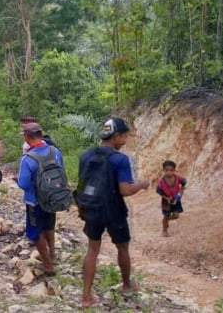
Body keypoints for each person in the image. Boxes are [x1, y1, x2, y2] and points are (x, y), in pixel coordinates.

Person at [78, 117, 150, 308]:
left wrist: (81, 208)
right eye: (124, 136)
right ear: (116, 136)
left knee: (92, 250)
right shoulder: (120, 159)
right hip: (113, 210)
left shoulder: (86, 154)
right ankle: (127, 285)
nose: (125, 140)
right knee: (123, 248)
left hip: (91, 208)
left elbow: (81, 185)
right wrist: (142, 185)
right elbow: (125, 190)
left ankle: (86, 297)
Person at [17, 122, 63, 276]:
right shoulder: (54, 151)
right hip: (52, 197)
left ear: (27, 137)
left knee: (36, 234)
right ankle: (52, 254)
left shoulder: (28, 158)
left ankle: (48, 265)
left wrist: (17, 180)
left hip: (34, 202)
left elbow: (23, 184)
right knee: (49, 226)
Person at [156, 160, 187, 237]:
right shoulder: (161, 182)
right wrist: (166, 198)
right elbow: (160, 193)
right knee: (166, 215)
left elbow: (183, 184)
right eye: (166, 170)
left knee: (176, 215)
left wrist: (180, 192)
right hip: (166, 201)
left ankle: (166, 220)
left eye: (171, 170)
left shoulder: (177, 178)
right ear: (163, 170)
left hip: (176, 199)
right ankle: (164, 230)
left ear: (174, 170)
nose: (169, 172)